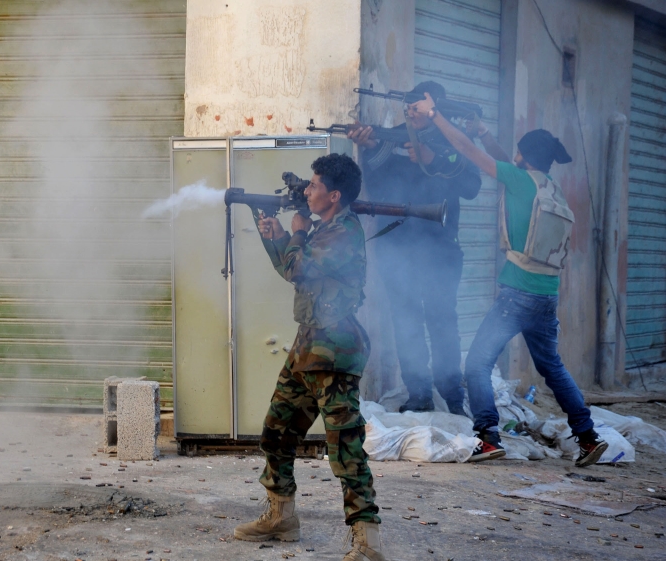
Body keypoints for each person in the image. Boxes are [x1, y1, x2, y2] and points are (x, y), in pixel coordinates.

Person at [410, 93, 609, 466]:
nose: (512, 158)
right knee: (552, 367)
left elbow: (467, 150)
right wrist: (485, 131)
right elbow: (502, 158)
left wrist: (435, 115)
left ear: (525, 157)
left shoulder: (519, 180)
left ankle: (487, 436)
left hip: (516, 295)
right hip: (547, 294)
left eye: (517, 154)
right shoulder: (547, 185)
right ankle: (588, 437)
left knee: (477, 365)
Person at [234, 154, 387, 561]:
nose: (307, 190)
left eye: (315, 186)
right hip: (308, 346)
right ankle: (281, 516)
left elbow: (299, 266)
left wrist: (295, 232)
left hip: (334, 350)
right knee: (276, 434)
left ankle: (367, 541)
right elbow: (291, 269)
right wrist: (275, 236)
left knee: (344, 446)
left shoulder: (343, 234)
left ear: (334, 195)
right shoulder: (326, 229)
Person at [347, 81, 481, 414]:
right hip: (398, 247)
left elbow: (472, 187)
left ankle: (453, 396)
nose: (410, 113)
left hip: (441, 250)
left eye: (417, 107)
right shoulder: (393, 137)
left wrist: (432, 158)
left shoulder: (453, 142)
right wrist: (370, 148)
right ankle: (419, 394)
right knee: (406, 323)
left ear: (436, 108)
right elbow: (378, 189)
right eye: (408, 107)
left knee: (443, 324)